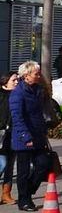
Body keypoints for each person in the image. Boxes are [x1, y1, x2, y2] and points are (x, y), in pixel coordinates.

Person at [9, 61, 50, 212]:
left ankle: (29, 191)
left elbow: (40, 113)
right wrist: (26, 136)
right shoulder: (18, 93)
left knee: (43, 164)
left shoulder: (37, 89)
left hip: (38, 135)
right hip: (23, 137)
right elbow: (17, 117)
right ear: (26, 76)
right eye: (36, 74)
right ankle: (24, 200)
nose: (39, 76)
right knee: (23, 170)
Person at [0, 71, 19, 205]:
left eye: (18, 80)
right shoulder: (1, 96)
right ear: (5, 82)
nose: (17, 82)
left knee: (10, 166)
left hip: (14, 135)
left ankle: (6, 194)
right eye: (14, 80)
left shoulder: (18, 95)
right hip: (1, 135)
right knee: (2, 163)